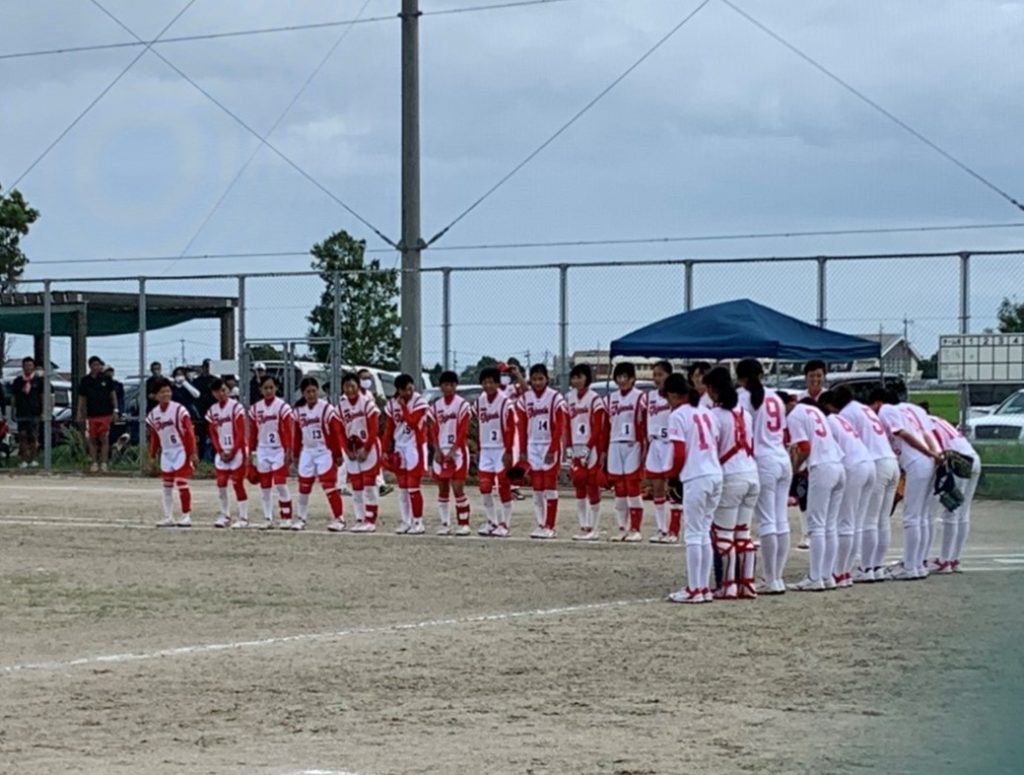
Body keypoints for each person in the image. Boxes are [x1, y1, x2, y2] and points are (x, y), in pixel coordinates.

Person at [869, 388, 943, 580]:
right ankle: (918, 563)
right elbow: (927, 434)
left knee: (911, 517)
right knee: (921, 516)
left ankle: (910, 566)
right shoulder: (913, 410)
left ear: (877, 402)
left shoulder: (886, 410)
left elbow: (901, 433)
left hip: (916, 462)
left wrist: (930, 453)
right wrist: (936, 454)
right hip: (927, 461)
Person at [736, 358, 793, 595]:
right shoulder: (776, 398)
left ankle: (771, 578)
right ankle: (776, 577)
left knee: (767, 520)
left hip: (763, 460)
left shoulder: (743, 397)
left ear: (742, 378)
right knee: (781, 519)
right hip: (781, 457)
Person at [831, 385, 899, 583]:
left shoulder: (845, 414)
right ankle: (876, 566)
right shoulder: (865, 409)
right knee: (882, 519)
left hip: (874, 462)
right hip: (890, 461)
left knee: (867, 520)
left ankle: (866, 567)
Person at [665, 373, 723, 604]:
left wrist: (673, 476)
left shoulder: (678, 415)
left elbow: (679, 452)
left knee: (693, 534)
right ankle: (703, 587)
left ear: (673, 394)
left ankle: (694, 588)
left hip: (696, 476)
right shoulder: (707, 413)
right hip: (714, 473)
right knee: (704, 532)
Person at [704, 367, 760, 599]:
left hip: (730, 477)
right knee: (743, 534)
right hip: (751, 474)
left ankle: (727, 584)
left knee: (723, 534)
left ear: (713, 390)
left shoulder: (714, 416)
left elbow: (711, 450)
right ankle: (747, 583)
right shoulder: (744, 413)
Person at [782, 392, 846, 592]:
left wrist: (794, 467)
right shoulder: (813, 410)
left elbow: (805, 447)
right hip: (838, 465)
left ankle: (815, 577)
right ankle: (827, 576)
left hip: (821, 467)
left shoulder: (794, 416)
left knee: (816, 525)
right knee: (830, 525)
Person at [818, 392, 876, 589]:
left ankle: (839, 571)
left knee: (844, 522)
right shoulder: (843, 419)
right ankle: (847, 570)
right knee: (857, 523)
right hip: (868, 464)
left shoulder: (829, 421)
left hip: (853, 466)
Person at [517, 363, 567, 539]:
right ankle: (540, 523)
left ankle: (550, 525)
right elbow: (522, 426)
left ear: (547, 379)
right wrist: (522, 450)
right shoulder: (525, 399)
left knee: (549, 486)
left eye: (541, 379)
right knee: (537, 487)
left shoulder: (555, 398)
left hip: (548, 444)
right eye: (534, 379)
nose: (537, 382)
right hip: (533, 445)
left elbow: (559, 425)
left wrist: (553, 449)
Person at [928, 414, 981, 573]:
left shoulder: (926, 424)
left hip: (957, 459)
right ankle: (954, 559)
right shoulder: (940, 420)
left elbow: (936, 448)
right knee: (962, 513)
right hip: (972, 457)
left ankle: (945, 561)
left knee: (951, 512)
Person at [293, 377, 347, 532]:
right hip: (308, 450)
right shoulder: (299, 411)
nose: (311, 395)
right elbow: (297, 435)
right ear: (303, 393)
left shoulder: (326, 409)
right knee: (304, 485)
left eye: (313, 391)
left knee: (329, 484)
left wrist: (337, 453)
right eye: (307, 392)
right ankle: (301, 518)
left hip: (324, 450)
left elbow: (334, 433)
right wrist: (296, 454)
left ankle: (339, 518)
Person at [564, 363, 608, 541]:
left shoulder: (595, 399)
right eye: (574, 377)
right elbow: (567, 424)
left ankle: (594, 527)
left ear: (587, 378)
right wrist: (568, 446)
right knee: (579, 484)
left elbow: (598, 426)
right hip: (575, 446)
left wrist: (590, 448)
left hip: (591, 446)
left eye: (580, 377)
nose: (577, 380)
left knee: (592, 484)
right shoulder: (569, 398)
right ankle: (584, 526)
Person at [146, 376, 198, 528]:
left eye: (168, 391)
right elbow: (155, 436)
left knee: (182, 482)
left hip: (181, 450)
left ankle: (186, 515)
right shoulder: (154, 414)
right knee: (167, 486)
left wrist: (192, 452)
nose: (166, 394)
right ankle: (168, 516)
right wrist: (152, 455)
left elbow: (189, 432)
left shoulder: (179, 410)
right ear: (155, 396)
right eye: (162, 392)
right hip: (167, 452)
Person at [383, 373, 430, 535]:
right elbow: (389, 429)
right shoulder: (391, 404)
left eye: (411, 388)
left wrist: (403, 407)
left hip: (415, 446)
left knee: (413, 487)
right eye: (405, 390)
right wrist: (384, 450)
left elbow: (412, 421)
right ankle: (405, 521)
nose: (409, 392)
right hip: (400, 446)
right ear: (399, 390)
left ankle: (418, 522)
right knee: (402, 487)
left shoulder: (419, 401)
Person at [606, 361, 647, 542]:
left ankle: (636, 528)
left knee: (632, 487)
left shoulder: (640, 398)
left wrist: (644, 448)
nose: (622, 380)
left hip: (633, 443)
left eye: (626, 377)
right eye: (619, 377)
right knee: (619, 488)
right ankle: (622, 527)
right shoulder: (610, 398)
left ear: (633, 379)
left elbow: (644, 423)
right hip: (615, 443)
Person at [429, 371, 473, 535]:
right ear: (440, 386)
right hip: (441, 451)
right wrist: (437, 450)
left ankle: (464, 523)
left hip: (458, 452)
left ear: (456, 386)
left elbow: (463, 430)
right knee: (442, 488)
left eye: (451, 385)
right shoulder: (436, 406)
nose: (448, 388)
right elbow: (433, 429)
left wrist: (454, 449)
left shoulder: (462, 405)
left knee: (458, 488)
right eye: (445, 385)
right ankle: (445, 523)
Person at [475, 366, 517, 537]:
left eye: (491, 382)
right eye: (485, 382)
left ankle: (505, 524)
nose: (488, 385)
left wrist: (508, 451)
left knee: (503, 487)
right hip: (486, 449)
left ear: (498, 383)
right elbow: (478, 426)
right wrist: (478, 447)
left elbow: (511, 429)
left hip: (500, 449)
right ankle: (491, 521)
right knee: (485, 486)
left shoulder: (505, 402)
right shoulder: (480, 402)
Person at [249, 373, 295, 529]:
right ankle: (267, 518)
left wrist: (289, 449)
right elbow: (253, 431)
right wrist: (251, 451)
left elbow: (288, 430)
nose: (268, 391)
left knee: (280, 483)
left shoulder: (282, 407)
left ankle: (286, 516)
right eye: (265, 388)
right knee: (265, 486)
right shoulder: (256, 408)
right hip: (263, 449)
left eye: (271, 387)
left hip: (278, 449)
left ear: (276, 388)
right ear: (261, 390)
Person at [339, 371, 382, 533]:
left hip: (368, 448)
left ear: (357, 386)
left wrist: (367, 447)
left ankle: (371, 519)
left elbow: (374, 428)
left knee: (369, 485)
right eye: (346, 386)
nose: (349, 389)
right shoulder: (342, 406)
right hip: (352, 450)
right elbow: (340, 431)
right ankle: (360, 518)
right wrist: (346, 449)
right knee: (356, 486)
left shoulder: (367, 403)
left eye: (352, 386)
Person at [206, 378, 250, 528]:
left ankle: (243, 517)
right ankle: (225, 515)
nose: (221, 393)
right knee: (221, 483)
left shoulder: (236, 407)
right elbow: (213, 433)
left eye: (223, 390)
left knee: (238, 483)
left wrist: (234, 450)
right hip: (222, 451)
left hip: (236, 450)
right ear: (213, 393)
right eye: (218, 391)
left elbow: (240, 431)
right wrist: (219, 450)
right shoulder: (212, 410)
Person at [645, 361, 680, 544]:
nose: (656, 378)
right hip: (655, 443)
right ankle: (661, 528)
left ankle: (674, 530)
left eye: (660, 375)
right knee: (657, 486)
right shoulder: (650, 396)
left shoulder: (675, 397)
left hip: (670, 443)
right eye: (655, 375)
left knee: (672, 488)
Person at [76, 356, 118, 473]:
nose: (97, 367)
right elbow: (82, 398)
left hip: (105, 414)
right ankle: (94, 462)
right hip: (91, 415)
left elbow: (113, 395)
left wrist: (115, 410)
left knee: (104, 438)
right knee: (92, 439)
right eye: (94, 365)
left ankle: (104, 463)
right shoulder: (85, 381)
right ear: (90, 366)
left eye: (98, 365)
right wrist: (80, 412)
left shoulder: (107, 379)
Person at [357, 367, 394, 497]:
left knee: (374, 460)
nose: (366, 381)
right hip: (355, 434)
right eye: (363, 378)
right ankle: (340, 486)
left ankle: (380, 485)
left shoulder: (369, 395)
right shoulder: (355, 395)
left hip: (368, 432)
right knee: (348, 464)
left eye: (368, 378)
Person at [11, 356, 44, 468]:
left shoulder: (39, 381)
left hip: (35, 412)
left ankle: (34, 459)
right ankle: (24, 459)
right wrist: (13, 410)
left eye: (30, 366)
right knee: (22, 435)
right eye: (26, 366)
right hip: (21, 412)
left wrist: (44, 411)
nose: (28, 368)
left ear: (34, 367)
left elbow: (42, 396)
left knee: (34, 436)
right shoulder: (18, 381)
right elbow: (14, 397)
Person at [192, 359, 219, 462]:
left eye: (209, 367)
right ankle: (201, 458)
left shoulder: (215, 380)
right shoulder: (197, 381)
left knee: (214, 436)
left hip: (214, 412)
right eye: (205, 367)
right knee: (201, 437)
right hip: (200, 414)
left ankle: (214, 458)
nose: (207, 369)